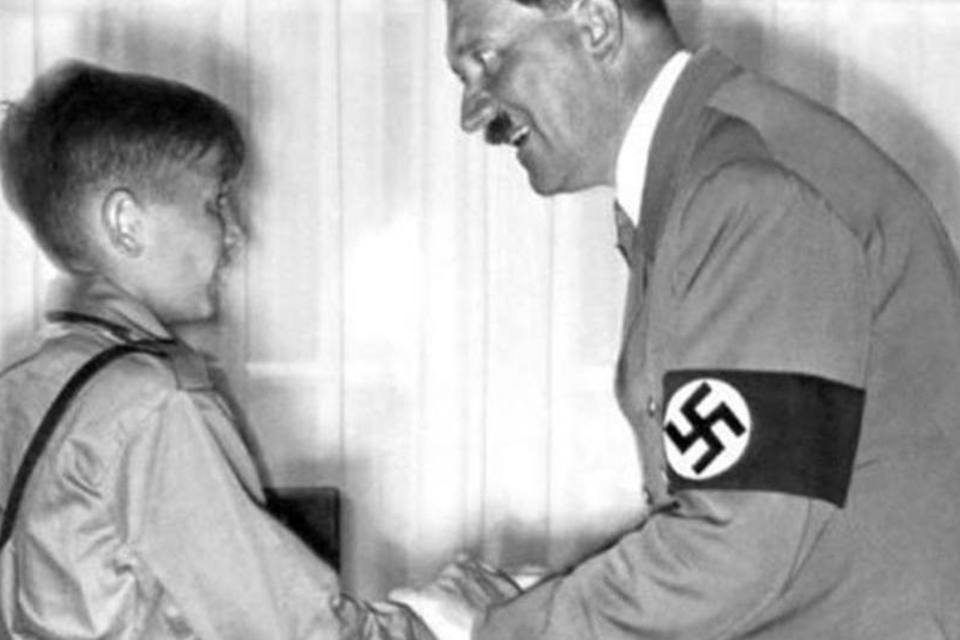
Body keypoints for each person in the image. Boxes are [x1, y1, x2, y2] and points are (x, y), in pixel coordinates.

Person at [393, 0, 960, 638]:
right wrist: (537, 600)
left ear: (597, 24)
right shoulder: (706, 172)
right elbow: (735, 507)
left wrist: (500, 629)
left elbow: (734, 548)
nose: (472, 114)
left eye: (487, 59)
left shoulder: (747, 190)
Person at [0, 61, 432, 639]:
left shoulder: (27, 376)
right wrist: (438, 626)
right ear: (126, 223)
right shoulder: (153, 402)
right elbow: (283, 627)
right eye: (215, 201)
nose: (235, 232)